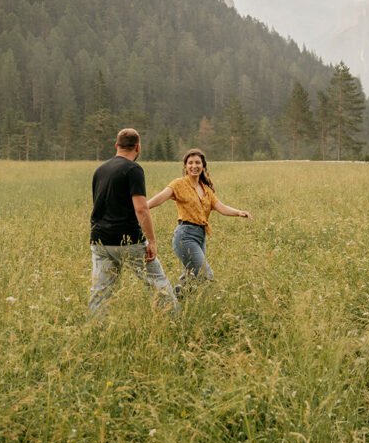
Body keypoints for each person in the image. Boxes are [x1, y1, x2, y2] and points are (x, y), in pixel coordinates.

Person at [89, 128, 179, 315]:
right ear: (138, 147)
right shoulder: (133, 169)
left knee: (100, 291)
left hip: (100, 240)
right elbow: (141, 208)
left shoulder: (100, 170)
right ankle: (175, 322)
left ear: (116, 146)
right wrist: (151, 240)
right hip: (129, 240)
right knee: (158, 283)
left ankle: (94, 330)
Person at [147, 148, 251, 295]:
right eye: (190, 163)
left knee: (191, 280)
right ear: (185, 166)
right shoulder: (179, 184)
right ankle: (170, 298)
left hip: (200, 236)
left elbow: (220, 207)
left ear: (203, 166)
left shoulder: (206, 189)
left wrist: (239, 212)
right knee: (205, 275)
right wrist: (144, 207)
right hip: (185, 236)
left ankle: (171, 299)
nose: (194, 166)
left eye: (197, 162)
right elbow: (161, 197)